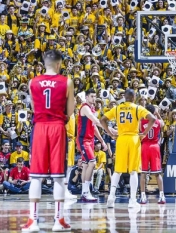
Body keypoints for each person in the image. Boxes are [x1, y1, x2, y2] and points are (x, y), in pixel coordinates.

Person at [22, 50, 76, 232]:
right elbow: (70, 112)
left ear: (44, 63)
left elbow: (33, 107)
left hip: (40, 128)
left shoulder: (33, 82)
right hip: (57, 128)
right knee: (58, 177)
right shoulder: (66, 81)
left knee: (36, 175)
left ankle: (33, 221)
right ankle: (58, 220)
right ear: (60, 64)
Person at [100, 88, 156, 209]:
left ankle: (111, 196)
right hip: (134, 139)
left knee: (117, 170)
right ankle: (132, 200)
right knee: (133, 171)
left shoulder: (117, 108)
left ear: (124, 97)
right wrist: (145, 132)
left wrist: (110, 133)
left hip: (121, 139)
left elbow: (102, 120)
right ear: (134, 97)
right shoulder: (137, 108)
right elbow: (153, 118)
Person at [76, 89, 109, 204]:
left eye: (95, 96)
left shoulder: (92, 109)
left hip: (90, 140)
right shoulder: (85, 107)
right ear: (86, 97)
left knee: (86, 165)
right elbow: (95, 120)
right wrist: (108, 129)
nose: (94, 98)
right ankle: (86, 192)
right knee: (92, 163)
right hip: (83, 140)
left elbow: (94, 127)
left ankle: (84, 192)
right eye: (91, 96)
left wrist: (102, 141)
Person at [138, 104, 165, 205]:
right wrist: (157, 114)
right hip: (155, 146)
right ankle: (162, 196)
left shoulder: (141, 122)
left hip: (145, 146)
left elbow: (139, 128)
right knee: (157, 173)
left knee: (143, 173)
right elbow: (163, 124)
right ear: (154, 112)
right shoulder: (158, 121)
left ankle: (143, 196)